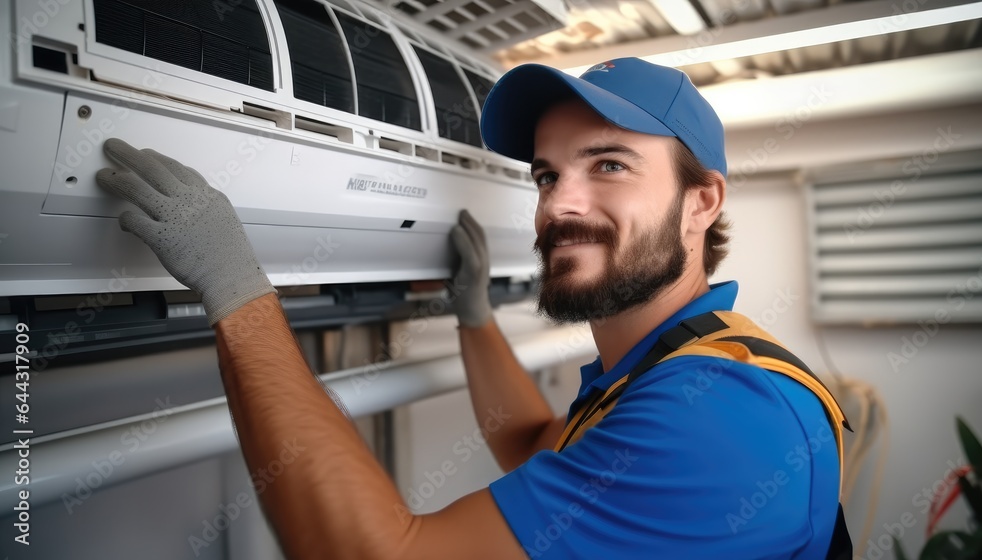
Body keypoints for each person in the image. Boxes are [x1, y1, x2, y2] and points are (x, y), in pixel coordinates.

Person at [96, 57, 847, 559]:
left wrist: (236, 291)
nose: (561, 204)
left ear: (700, 202)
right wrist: (474, 315)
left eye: (609, 165)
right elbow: (535, 445)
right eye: (547, 176)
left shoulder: (716, 413)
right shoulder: (679, 360)